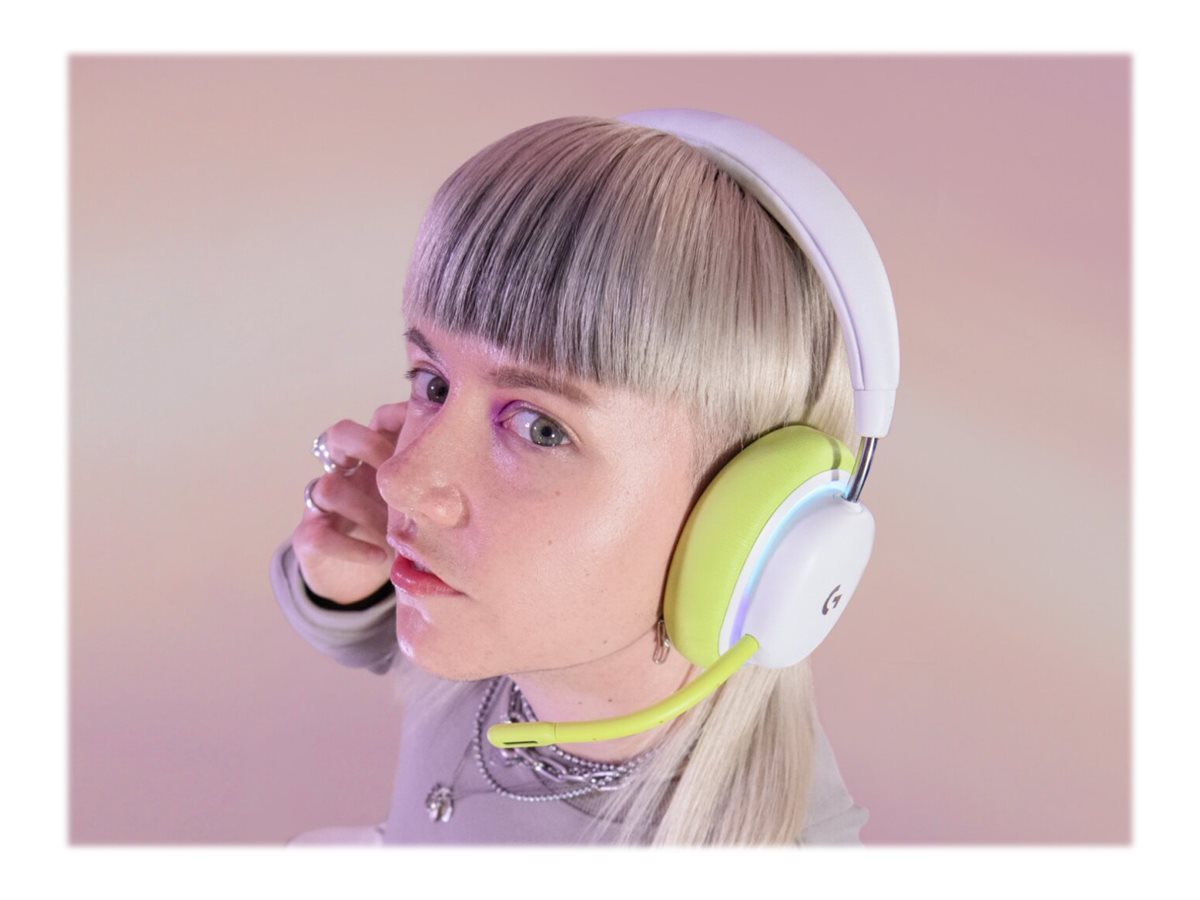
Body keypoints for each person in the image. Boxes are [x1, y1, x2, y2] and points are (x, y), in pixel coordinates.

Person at [269, 113, 871, 846]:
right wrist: (347, 587)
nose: (403, 478)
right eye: (433, 383)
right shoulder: (513, 633)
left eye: (541, 428)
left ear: (745, 526)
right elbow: (393, 643)